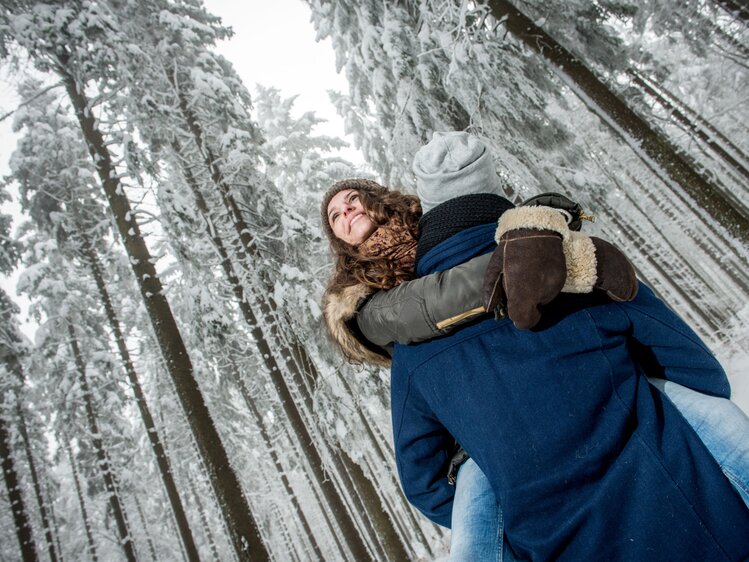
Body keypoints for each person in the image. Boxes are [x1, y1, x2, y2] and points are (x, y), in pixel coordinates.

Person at [321, 132, 749, 560]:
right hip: (660, 487)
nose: (347, 211)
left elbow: (424, 482)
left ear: (389, 202)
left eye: (352, 199)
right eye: (336, 215)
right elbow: (693, 368)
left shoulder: (417, 323)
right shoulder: (378, 307)